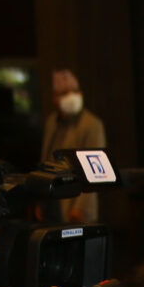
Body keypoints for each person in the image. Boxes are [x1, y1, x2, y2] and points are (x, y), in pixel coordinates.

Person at [40, 64, 105, 223]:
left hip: (76, 205)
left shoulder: (92, 125)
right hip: (53, 201)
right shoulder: (52, 122)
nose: (71, 96)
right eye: (64, 93)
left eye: (75, 91)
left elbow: (95, 172)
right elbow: (44, 159)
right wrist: (40, 198)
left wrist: (80, 208)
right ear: (55, 98)